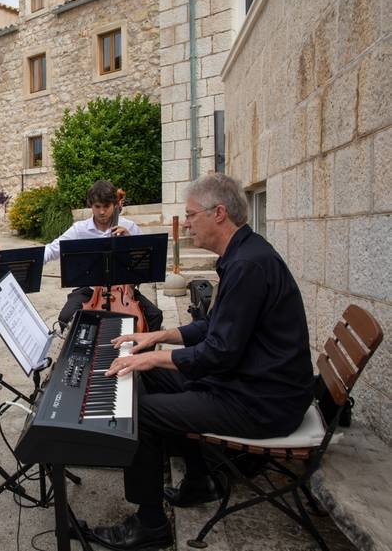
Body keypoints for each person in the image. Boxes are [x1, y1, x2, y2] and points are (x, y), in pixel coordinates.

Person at [75, 173, 314, 550]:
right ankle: (199, 480)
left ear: (219, 213)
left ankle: (150, 525)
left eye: (190, 215)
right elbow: (213, 328)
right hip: (249, 381)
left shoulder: (248, 266)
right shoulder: (243, 254)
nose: (186, 223)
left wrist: (154, 358)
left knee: (141, 413)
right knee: (149, 381)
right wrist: (158, 337)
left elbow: (218, 353)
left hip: (262, 401)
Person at [44, 180, 162, 331]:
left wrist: (129, 242)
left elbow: (146, 263)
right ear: (91, 205)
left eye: (106, 206)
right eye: (97, 207)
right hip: (91, 290)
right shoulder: (80, 229)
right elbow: (52, 249)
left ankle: (141, 347)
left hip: (123, 291)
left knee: (154, 315)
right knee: (66, 318)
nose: (101, 212)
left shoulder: (129, 227)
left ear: (115, 205)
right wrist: (33, 260)